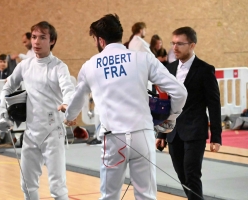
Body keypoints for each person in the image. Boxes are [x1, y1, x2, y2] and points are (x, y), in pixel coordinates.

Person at [64, 14, 187, 200]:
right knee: (146, 196)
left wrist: (69, 117)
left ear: (100, 40)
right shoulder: (143, 58)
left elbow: (76, 101)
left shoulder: (90, 66)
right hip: (143, 136)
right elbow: (180, 92)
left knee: (109, 196)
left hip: (113, 139)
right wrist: (171, 117)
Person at [0, 21, 74, 200]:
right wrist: (3, 112)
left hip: (52, 132)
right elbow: (7, 87)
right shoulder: (25, 65)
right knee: (27, 184)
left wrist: (68, 105)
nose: (36, 42)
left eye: (42, 37)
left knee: (57, 187)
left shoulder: (59, 67)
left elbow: (68, 90)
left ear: (52, 41)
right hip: (31, 133)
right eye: (33, 37)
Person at [156, 27, 222, 200]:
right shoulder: (168, 69)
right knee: (182, 176)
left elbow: (214, 104)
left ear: (192, 45)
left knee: (192, 174)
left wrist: (216, 136)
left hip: (195, 130)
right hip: (173, 132)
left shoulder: (205, 70)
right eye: (173, 43)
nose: (175, 47)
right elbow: (166, 103)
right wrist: (162, 133)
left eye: (180, 44)